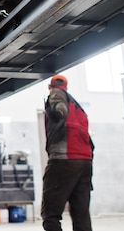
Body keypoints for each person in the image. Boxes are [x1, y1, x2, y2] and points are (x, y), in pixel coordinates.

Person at [41, 74, 94, 231]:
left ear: (50, 86)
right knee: (81, 215)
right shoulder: (79, 107)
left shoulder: (56, 94)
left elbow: (60, 110)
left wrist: (55, 110)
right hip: (85, 162)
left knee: (50, 214)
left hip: (64, 160)